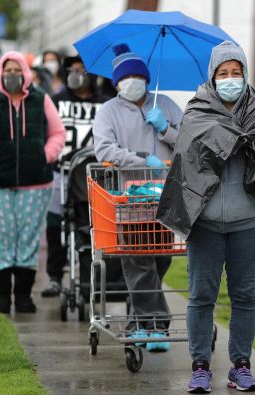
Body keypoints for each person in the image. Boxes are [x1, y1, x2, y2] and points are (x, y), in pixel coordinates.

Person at [156, 41, 255, 393]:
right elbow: (186, 160)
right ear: (213, 76)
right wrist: (225, 139)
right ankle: (200, 365)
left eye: (236, 73)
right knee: (201, 296)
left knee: (245, 296)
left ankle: (241, 365)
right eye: (224, 73)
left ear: (245, 75)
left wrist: (251, 142)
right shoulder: (197, 111)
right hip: (205, 223)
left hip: (249, 220)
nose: (230, 79)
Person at [92, 43, 183, 351]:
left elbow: (192, 143)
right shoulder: (108, 111)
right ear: (116, 83)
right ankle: (156, 325)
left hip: (167, 199)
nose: (130, 82)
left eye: (135, 75)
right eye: (123, 77)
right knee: (138, 260)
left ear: (146, 77)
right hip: (128, 200)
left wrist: (166, 129)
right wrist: (144, 161)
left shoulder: (167, 105)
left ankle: (138, 321)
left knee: (160, 259)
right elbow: (104, 149)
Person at [0, 51, 65, 314]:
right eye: (7, 70)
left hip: (36, 183)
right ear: (0, 73)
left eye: (16, 70)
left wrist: (45, 155)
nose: (12, 75)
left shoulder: (41, 99)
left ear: (25, 72)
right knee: (0, 237)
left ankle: (23, 297)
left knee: (29, 239)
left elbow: (57, 133)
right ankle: (1, 296)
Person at [41, 54, 115, 298]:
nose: (77, 74)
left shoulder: (106, 104)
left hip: (96, 178)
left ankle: (87, 281)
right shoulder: (55, 101)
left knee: (89, 229)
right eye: (72, 70)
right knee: (56, 226)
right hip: (61, 173)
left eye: (82, 69)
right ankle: (54, 275)